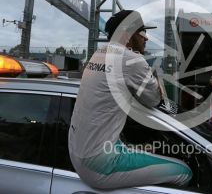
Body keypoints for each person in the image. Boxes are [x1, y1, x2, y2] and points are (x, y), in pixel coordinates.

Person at [68, 10, 192, 190]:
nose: (146, 38)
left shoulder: (98, 54)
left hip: (78, 151)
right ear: (128, 34)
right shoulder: (131, 60)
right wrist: (155, 78)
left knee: (148, 148)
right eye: (143, 33)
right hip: (100, 162)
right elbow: (154, 100)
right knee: (183, 171)